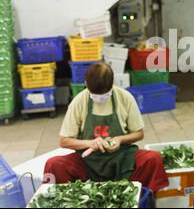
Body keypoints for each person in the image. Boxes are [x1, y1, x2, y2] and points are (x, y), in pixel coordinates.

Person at [44, 62, 169, 193]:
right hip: (88, 163)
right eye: (95, 96)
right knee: (54, 164)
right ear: (86, 83)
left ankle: (138, 198)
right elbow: (64, 141)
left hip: (122, 159)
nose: (100, 100)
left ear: (112, 85)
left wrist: (120, 140)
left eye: (104, 96)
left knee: (153, 159)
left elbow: (139, 133)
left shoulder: (125, 97)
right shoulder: (79, 101)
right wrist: (90, 143)